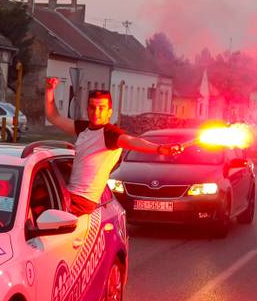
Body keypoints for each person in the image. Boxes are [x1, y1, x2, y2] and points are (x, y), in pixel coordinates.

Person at [44, 77, 182, 216]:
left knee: (37, 212)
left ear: (109, 112)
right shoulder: (83, 128)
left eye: (101, 108)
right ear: (87, 109)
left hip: (82, 201)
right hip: (69, 194)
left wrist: (158, 148)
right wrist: (50, 90)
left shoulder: (110, 134)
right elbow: (53, 117)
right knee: (36, 194)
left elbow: (131, 141)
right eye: (92, 107)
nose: (96, 112)